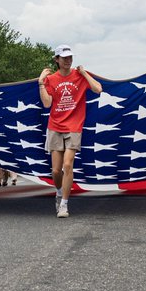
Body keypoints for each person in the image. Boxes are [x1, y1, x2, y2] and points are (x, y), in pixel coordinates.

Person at [38, 44, 103, 219]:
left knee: (68, 165)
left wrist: (84, 74)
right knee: (56, 171)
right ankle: (59, 192)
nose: (68, 60)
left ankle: (64, 204)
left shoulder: (79, 75)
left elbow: (98, 89)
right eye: (64, 58)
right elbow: (46, 103)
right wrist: (41, 83)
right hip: (55, 126)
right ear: (57, 60)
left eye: (70, 57)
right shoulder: (52, 79)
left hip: (74, 127)